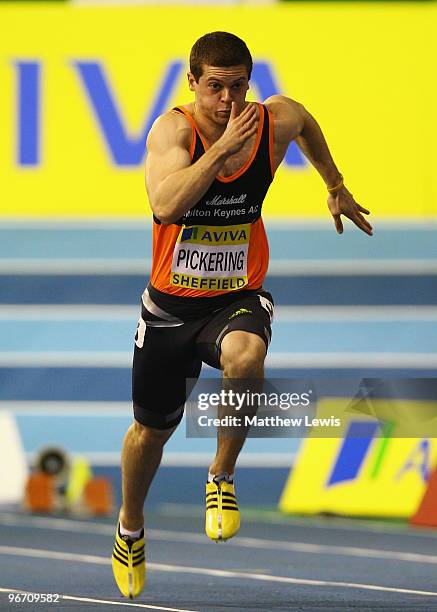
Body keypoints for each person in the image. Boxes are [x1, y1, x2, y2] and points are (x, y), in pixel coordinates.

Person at [111, 31, 373, 599]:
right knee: (149, 433)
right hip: (170, 310)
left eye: (237, 87)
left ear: (249, 84)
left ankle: (221, 476)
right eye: (214, 88)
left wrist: (335, 185)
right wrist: (221, 152)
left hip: (236, 296)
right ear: (192, 84)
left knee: (247, 355)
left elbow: (301, 118)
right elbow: (165, 206)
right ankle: (130, 526)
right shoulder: (172, 131)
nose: (227, 101)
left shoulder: (268, 122)